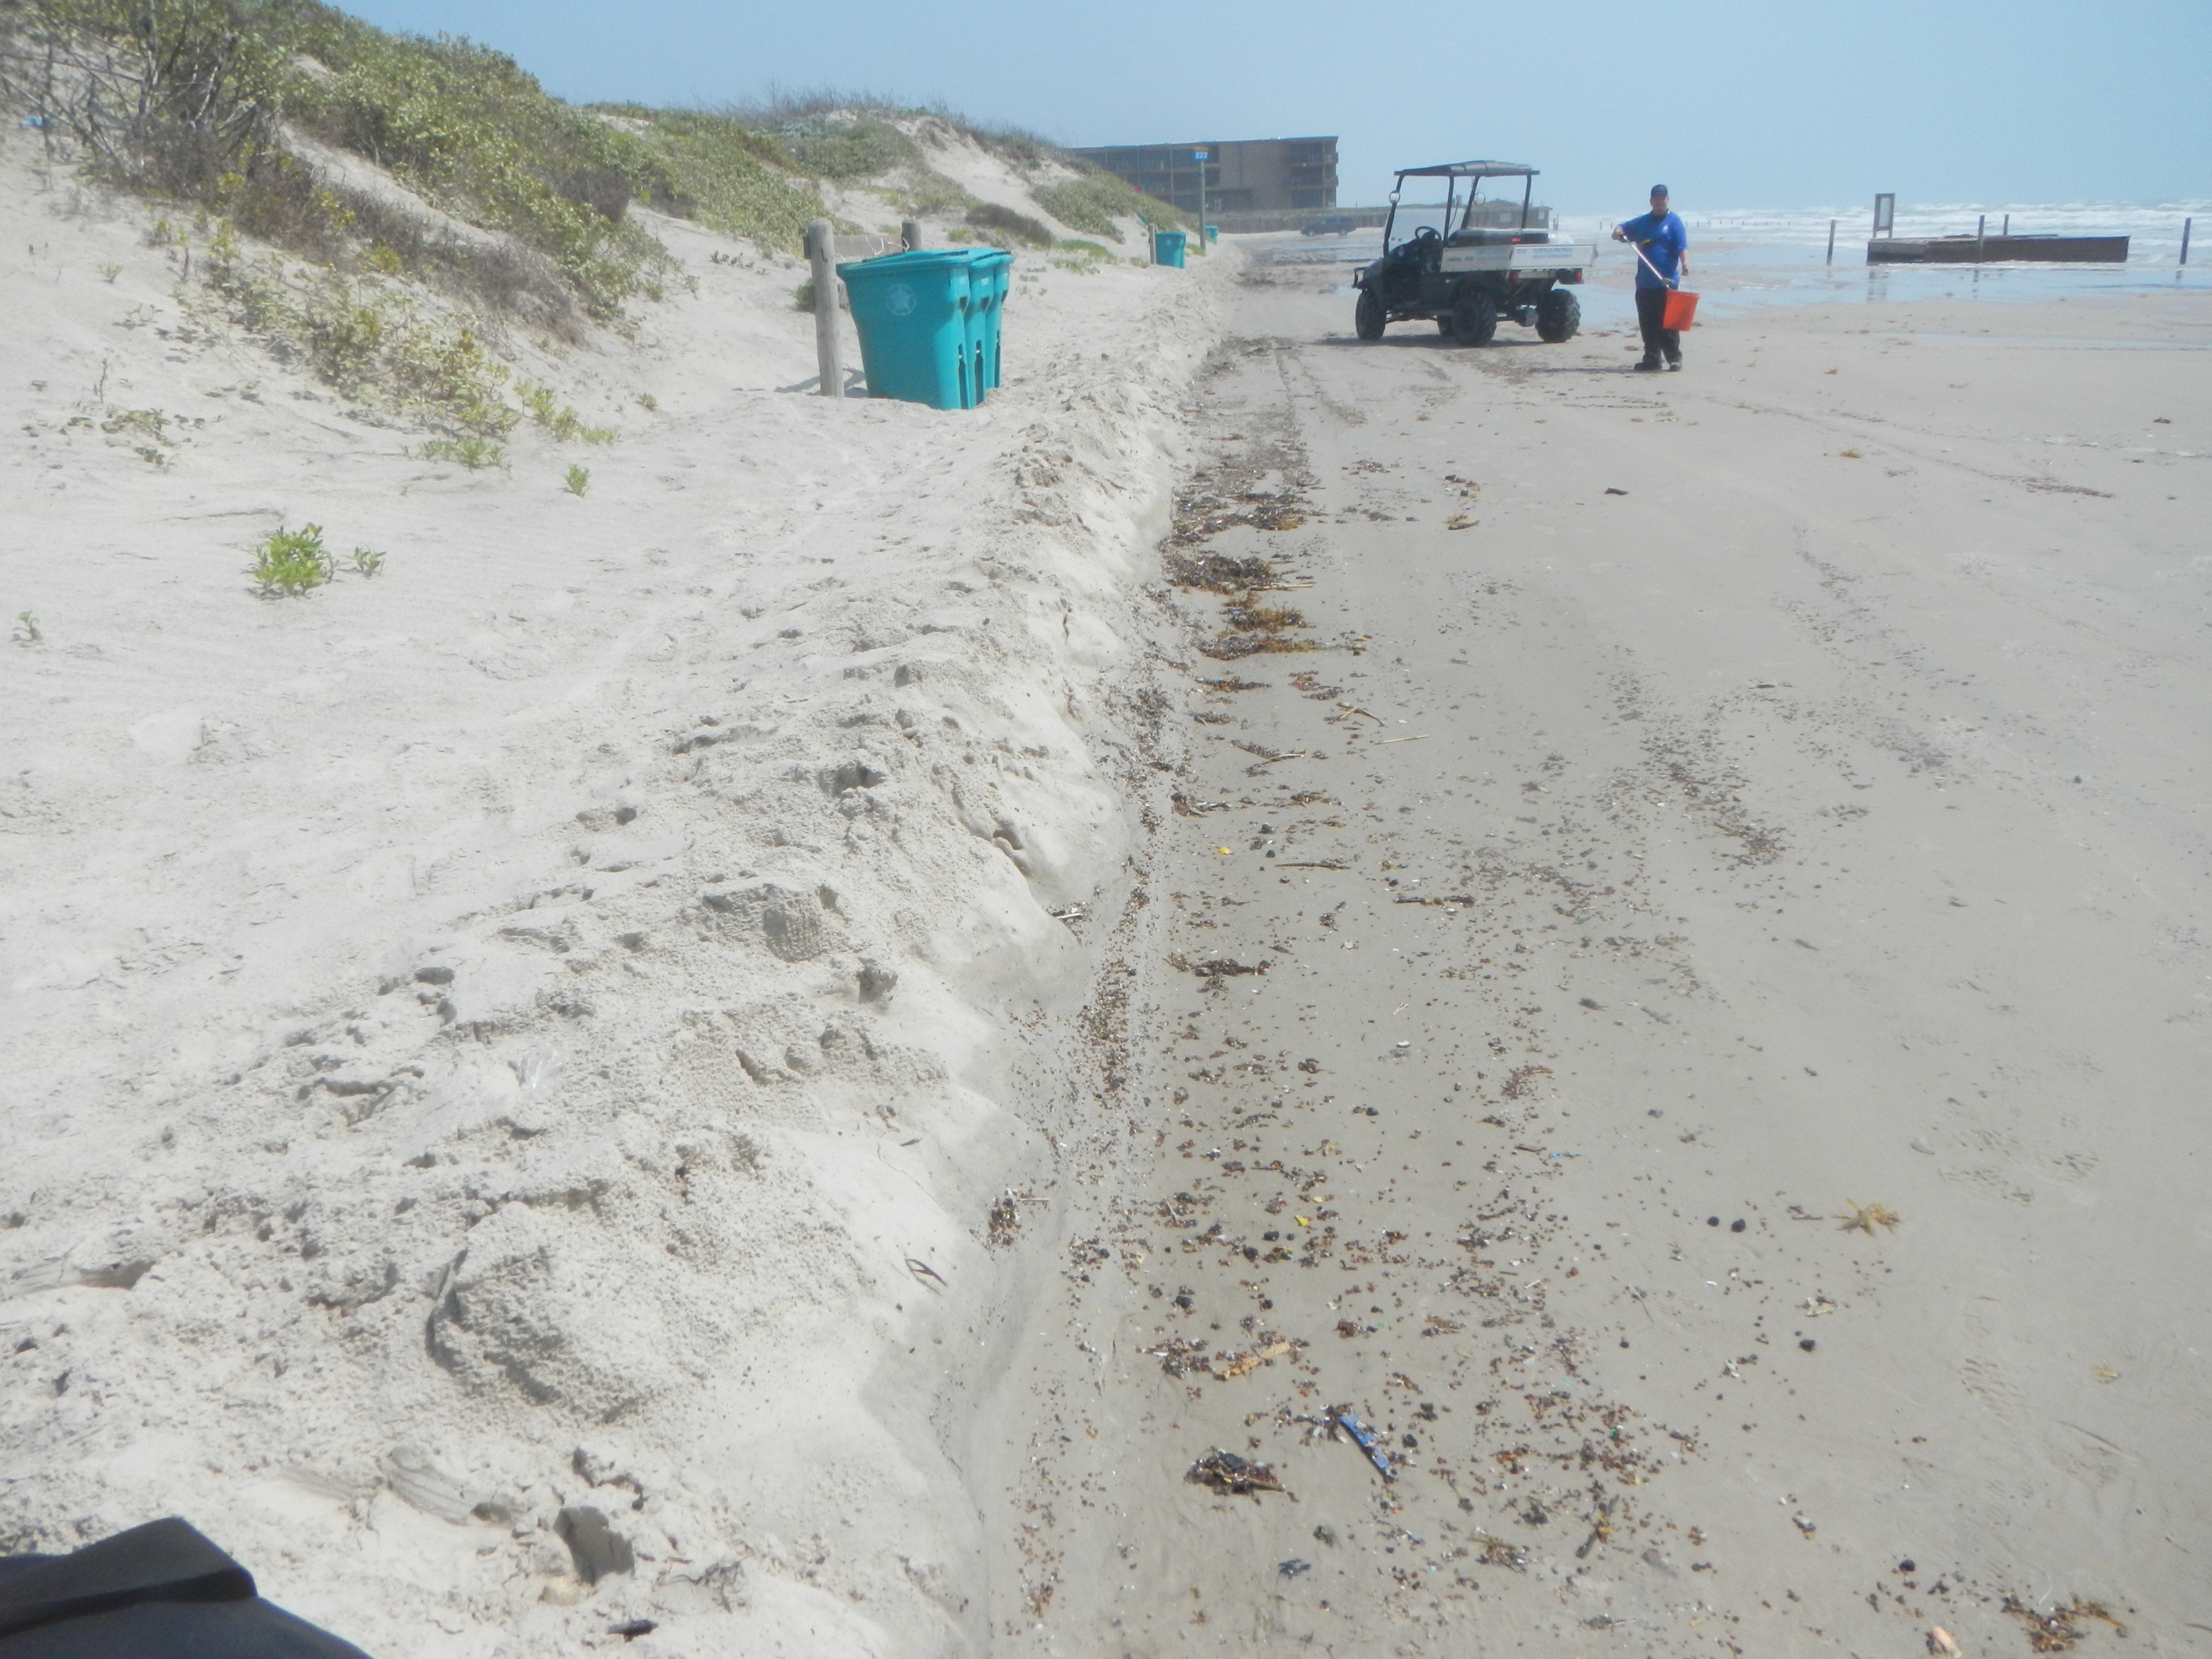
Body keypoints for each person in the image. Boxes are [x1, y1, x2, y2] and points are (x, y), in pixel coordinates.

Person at [1612, 185, 1688, 371]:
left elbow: (1682, 246)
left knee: (1669, 322)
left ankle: (1674, 358)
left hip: (1666, 280)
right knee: (1648, 323)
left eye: (1662, 199)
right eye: (1656, 199)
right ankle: (1652, 359)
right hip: (1645, 282)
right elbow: (1620, 230)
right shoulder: (1643, 222)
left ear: (1667, 200)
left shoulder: (1674, 222)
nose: (1659, 202)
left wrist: (1685, 263)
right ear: (1651, 201)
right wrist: (1618, 231)